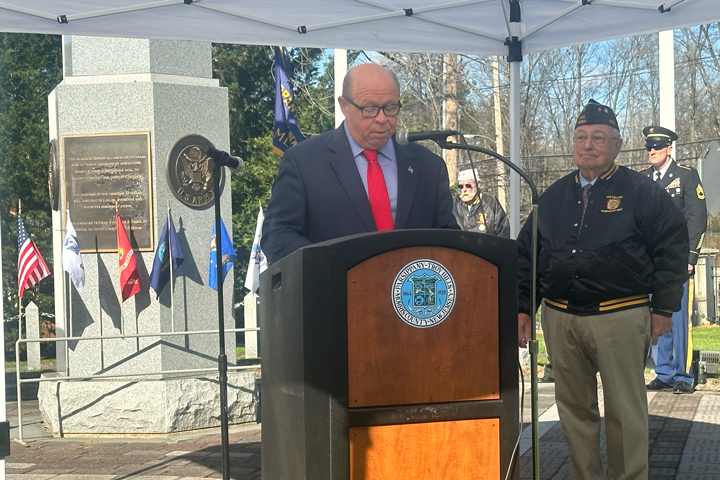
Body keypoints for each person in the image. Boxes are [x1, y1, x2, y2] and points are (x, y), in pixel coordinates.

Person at [517, 100, 689, 480]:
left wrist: (663, 307)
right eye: (581, 137)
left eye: (598, 138)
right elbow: (527, 255)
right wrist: (523, 306)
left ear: (617, 145)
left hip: (620, 317)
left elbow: (672, 248)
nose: (588, 145)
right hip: (561, 318)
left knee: (625, 412)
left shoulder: (641, 192)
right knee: (574, 411)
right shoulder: (552, 197)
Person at [261, 64, 459, 263]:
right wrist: (328, 266)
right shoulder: (304, 162)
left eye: (390, 108)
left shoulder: (429, 167)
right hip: (333, 280)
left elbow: (448, 238)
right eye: (369, 109)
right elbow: (277, 235)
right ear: (344, 106)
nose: (382, 118)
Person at [640, 126, 707, 395]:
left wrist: (691, 256)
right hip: (650, 264)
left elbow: (697, 218)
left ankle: (683, 374)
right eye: (649, 147)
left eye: (657, 146)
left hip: (677, 263)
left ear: (669, 148)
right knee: (657, 317)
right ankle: (664, 372)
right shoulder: (643, 179)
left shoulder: (686, 176)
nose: (652, 151)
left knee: (679, 320)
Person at [452, 168, 510, 237]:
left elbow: (503, 230)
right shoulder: (454, 205)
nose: (464, 189)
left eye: (468, 185)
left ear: (478, 184)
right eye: (461, 186)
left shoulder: (491, 202)